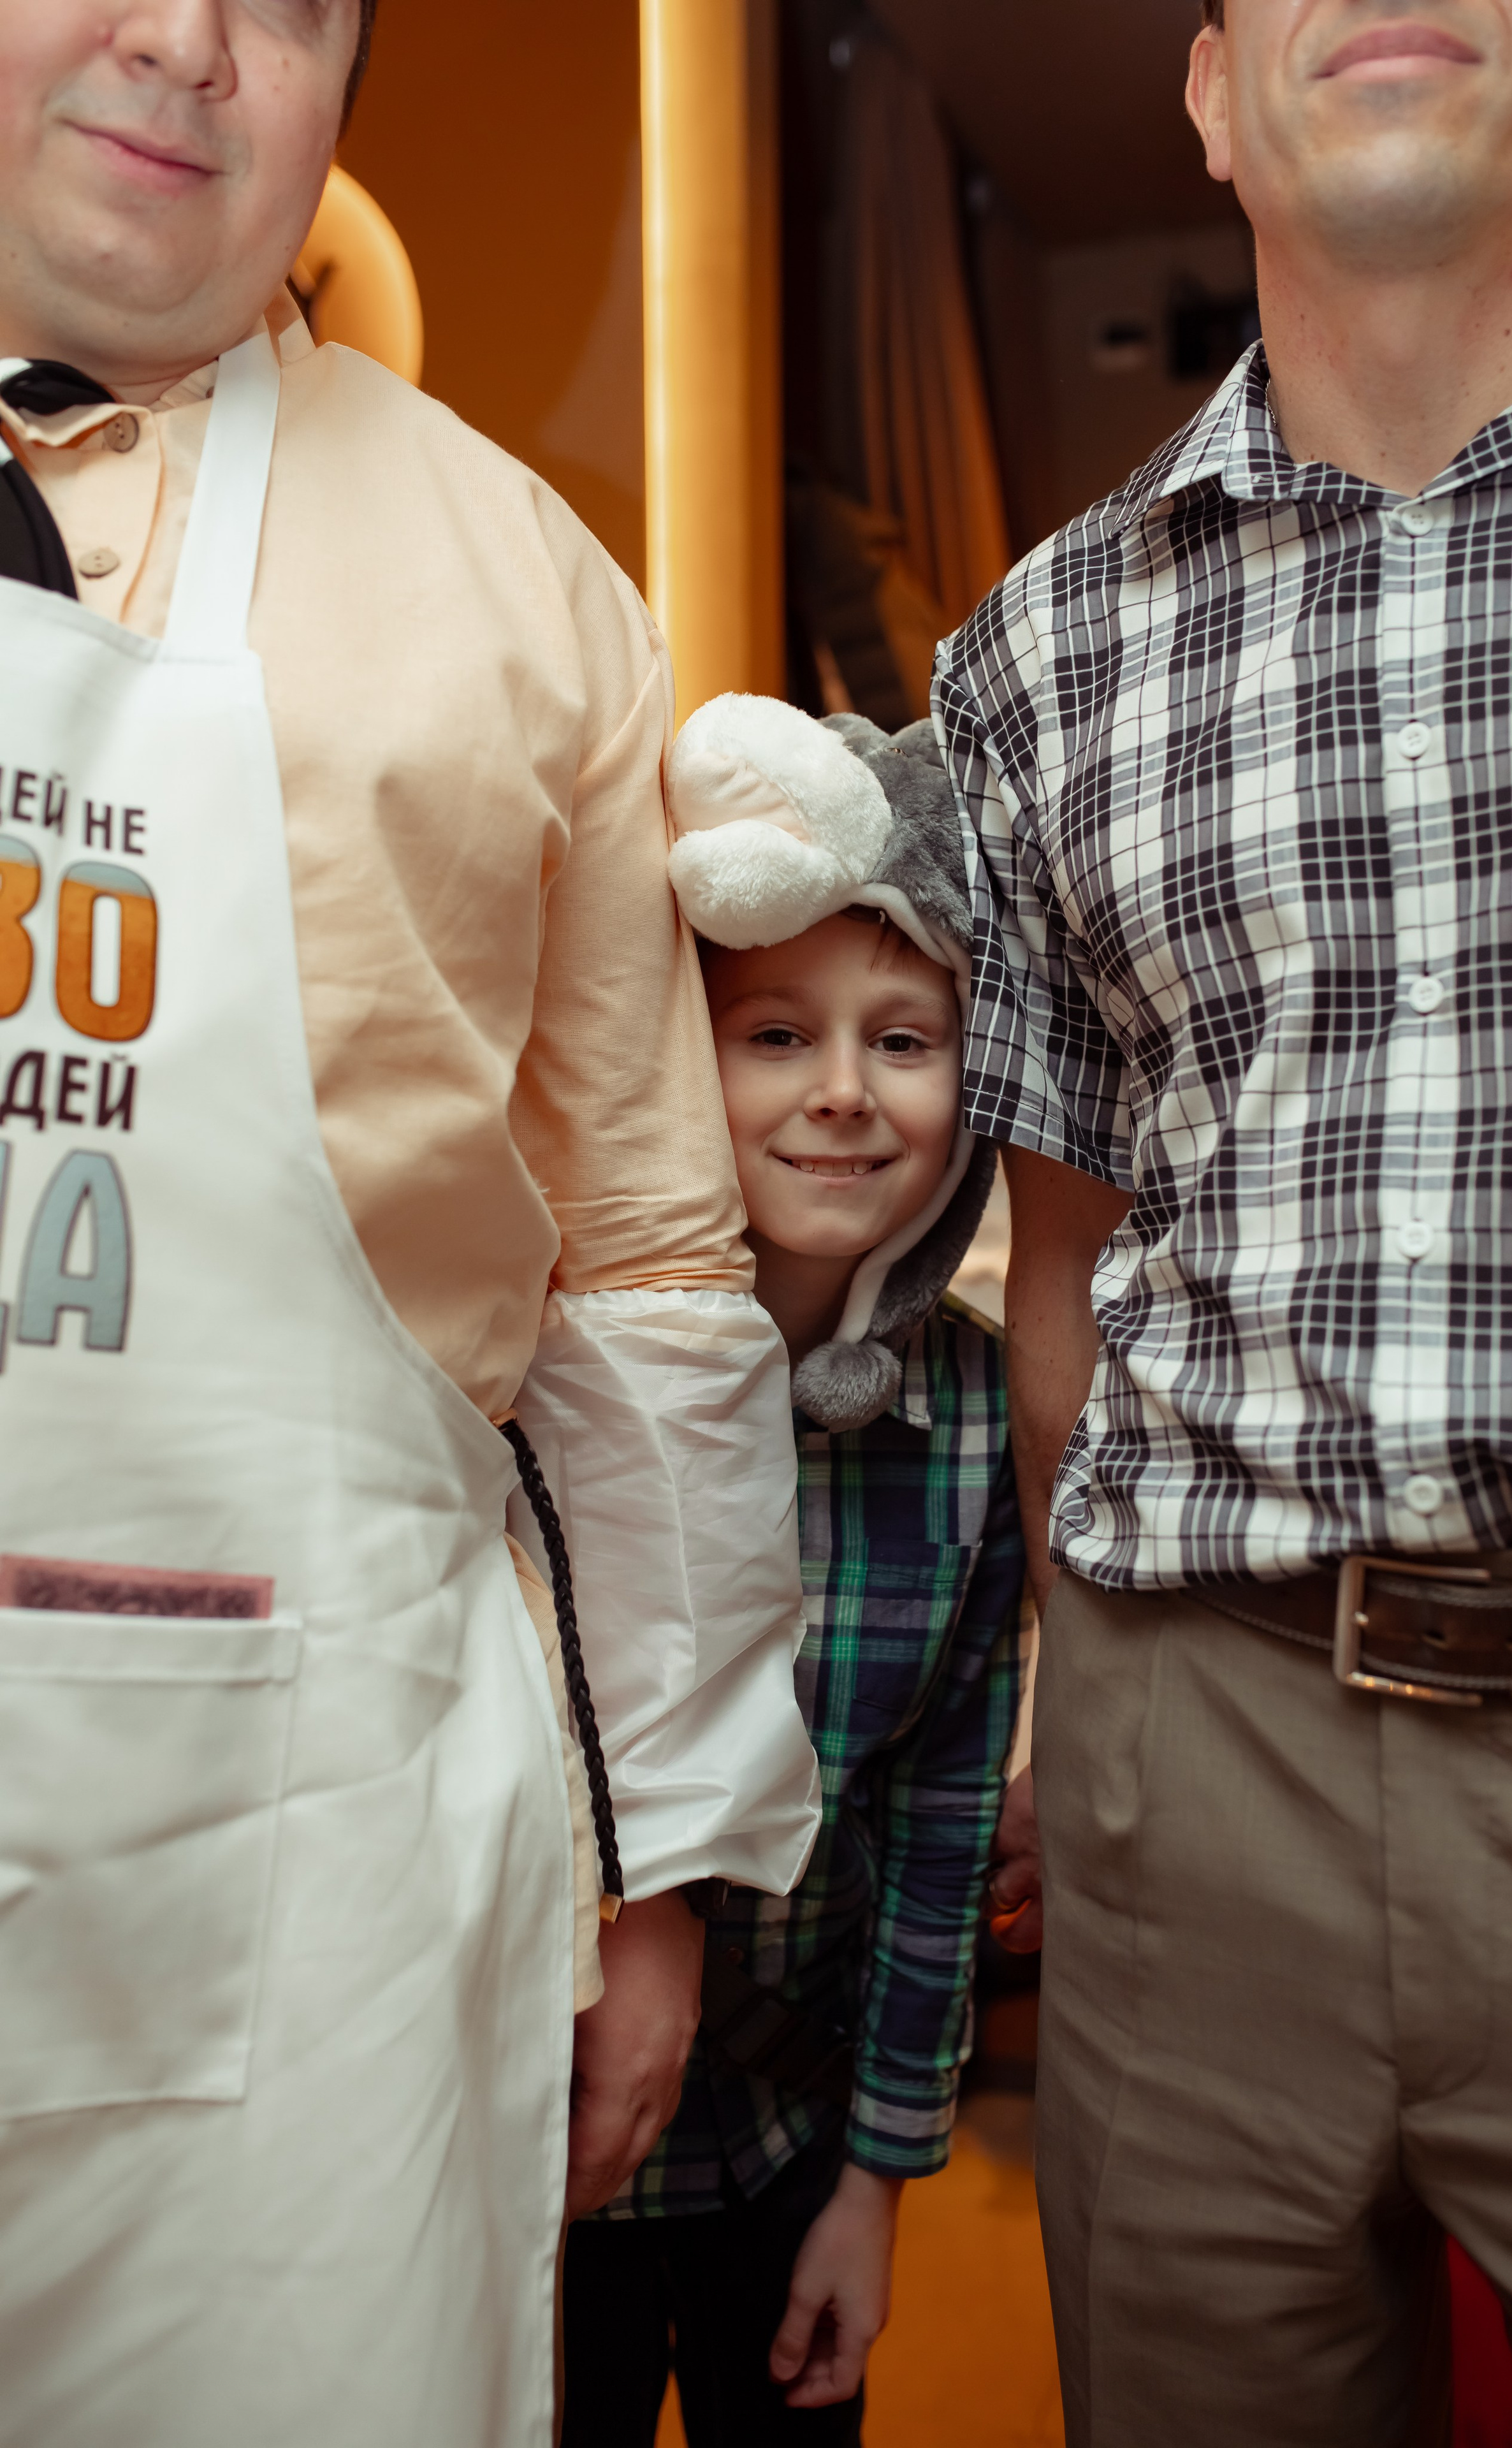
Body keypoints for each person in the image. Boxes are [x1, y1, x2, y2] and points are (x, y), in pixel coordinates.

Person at [0, 6, 820, 2444]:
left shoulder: (518, 580)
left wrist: (657, 1868)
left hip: (332, 1849)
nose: (183, 44)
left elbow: (655, 1280)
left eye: (285, 6)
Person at [939, 3, 1512, 2442]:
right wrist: (1087, 1738)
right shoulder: (1032, 653)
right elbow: (1057, 1271)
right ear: (1219, 102)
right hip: (1191, 1750)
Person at [559, 699, 1027, 2447]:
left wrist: (879, 2182)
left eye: (903, 1040)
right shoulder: (551, 1371)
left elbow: (939, 1827)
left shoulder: (973, 1415)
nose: (842, 1090)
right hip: (531, 2151)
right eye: (774, 1035)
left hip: (786, 2147)